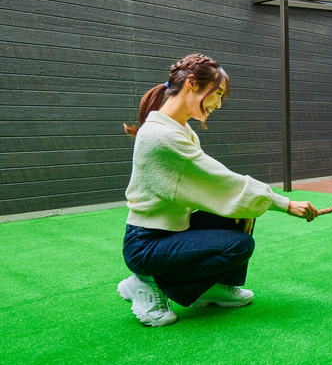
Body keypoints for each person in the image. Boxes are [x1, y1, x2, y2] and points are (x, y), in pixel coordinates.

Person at [118, 53, 318, 327]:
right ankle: (147, 282)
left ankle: (211, 287)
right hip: (146, 245)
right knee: (240, 245)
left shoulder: (181, 129)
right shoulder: (160, 137)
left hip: (171, 232)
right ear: (191, 84)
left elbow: (213, 188)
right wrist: (284, 203)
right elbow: (221, 181)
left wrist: (257, 204)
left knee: (241, 215)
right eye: (218, 93)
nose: (219, 103)